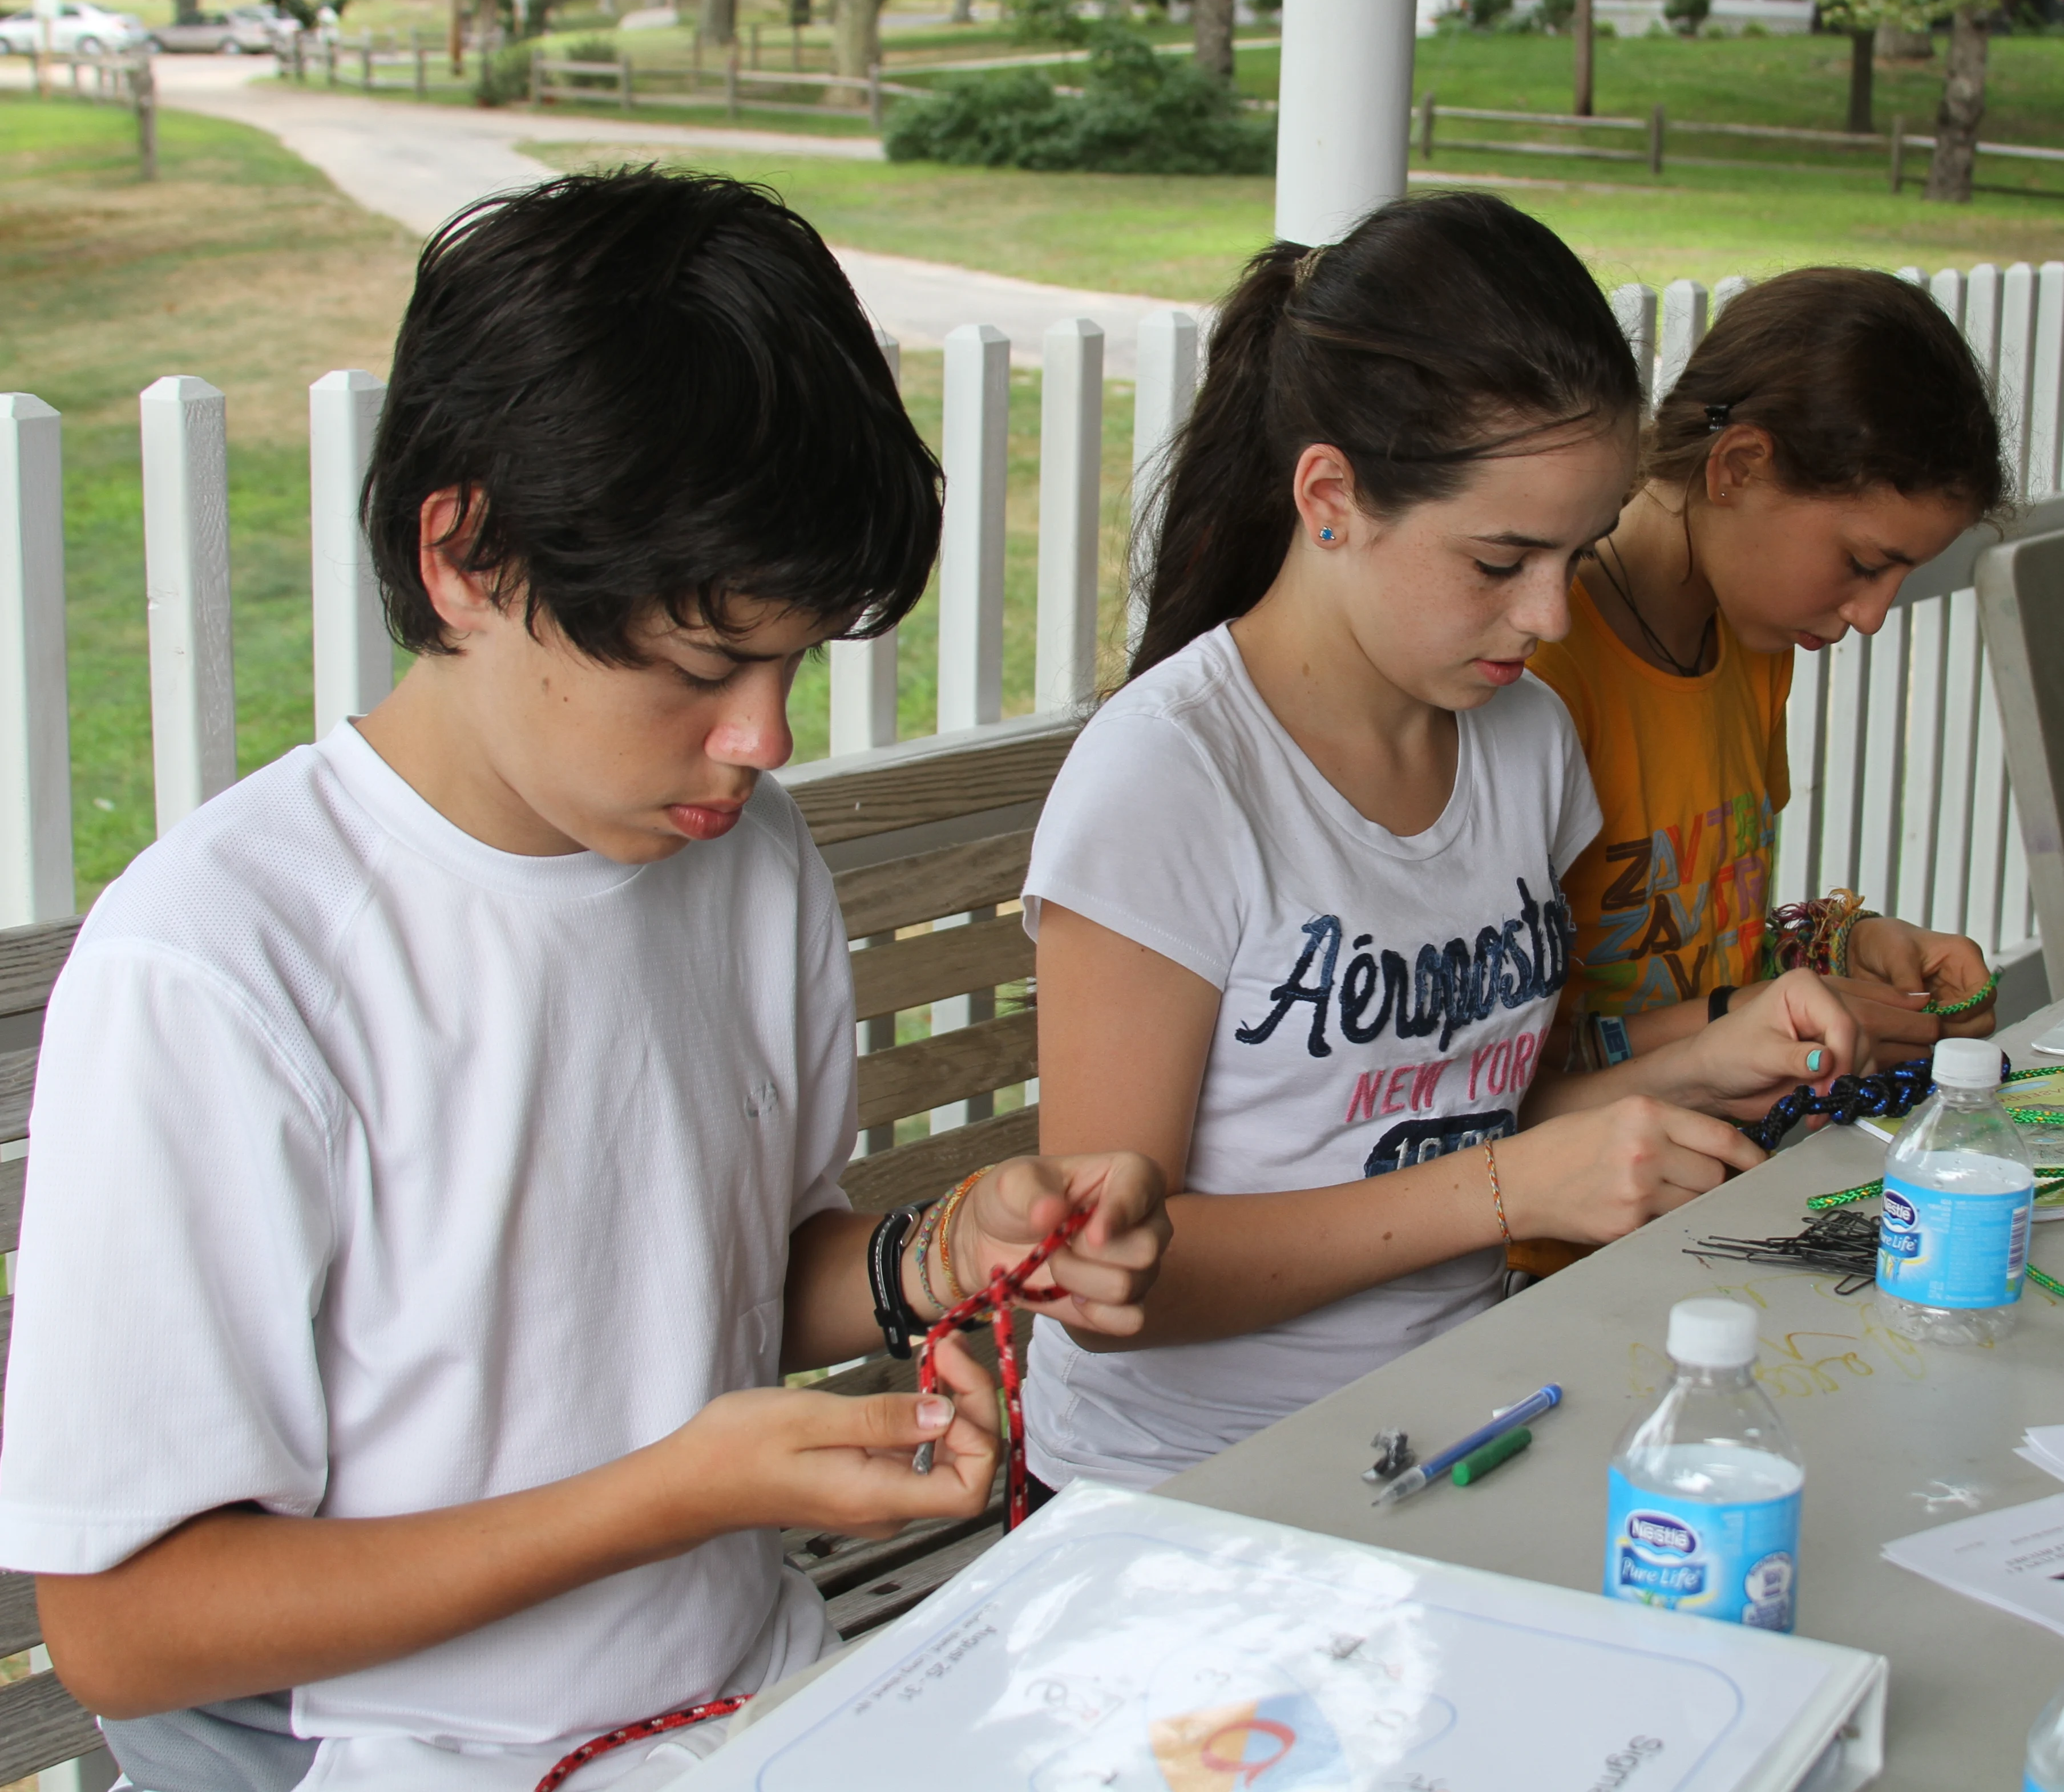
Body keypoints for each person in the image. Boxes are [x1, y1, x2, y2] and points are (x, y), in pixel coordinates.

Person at [0, 171, 1168, 1792]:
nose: (764, 739)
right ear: (468, 551)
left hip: (761, 1707)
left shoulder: (737, 860)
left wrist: (926, 1256)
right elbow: (126, 1632)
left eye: (794, 664)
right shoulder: (224, 969)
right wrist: (671, 1495)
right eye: (703, 667)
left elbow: (708, 1282)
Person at [1017, 193, 1862, 1498]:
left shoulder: (1520, 743)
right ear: (1330, 497)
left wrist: (1700, 1062)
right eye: (1498, 560)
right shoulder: (1173, 780)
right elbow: (1105, 1274)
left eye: (1573, 557)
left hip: (1463, 1428)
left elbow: (1456, 1113)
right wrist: (1510, 1194)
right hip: (1189, 1491)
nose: (1546, 614)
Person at [1529, 268, 2008, 1077]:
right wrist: (1735, 1018)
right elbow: (1487, 1070)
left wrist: (1845, 946)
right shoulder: (1542, 664)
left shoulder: (1754, 649)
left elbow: (1705, 942)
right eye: (1861, 562)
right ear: (1739, 466)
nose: (1872, 615)